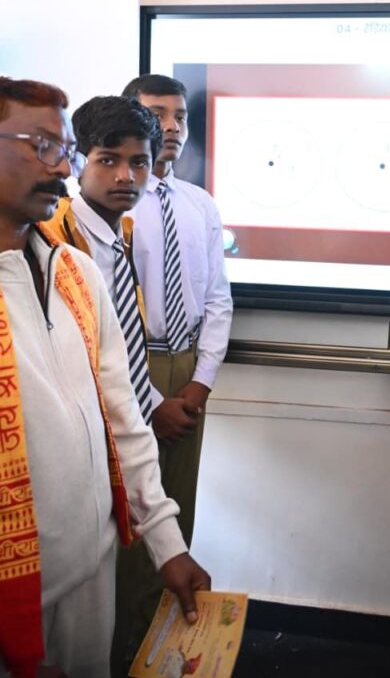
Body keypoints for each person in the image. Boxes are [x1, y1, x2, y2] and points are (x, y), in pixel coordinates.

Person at [0, 76, 210, 678]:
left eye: (63, 148)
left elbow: (122, 416)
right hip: (17, 586)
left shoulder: (75, 272)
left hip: (91, 570)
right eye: (40, 145)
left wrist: (166, 543)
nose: (60, 167)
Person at [114, 74, 232, 667]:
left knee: (175, 510)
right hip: (127, 368)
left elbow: (217, 299)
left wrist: (199, 382)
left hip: (185, 370)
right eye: (156, 114)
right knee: (127, 518)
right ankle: (120, 650)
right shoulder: (107, 205)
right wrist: (150, 399)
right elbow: (110, 319)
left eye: (179, 116)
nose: (170, 127)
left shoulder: (199, 203)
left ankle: (157, 650)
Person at [42, 95, 162, 422]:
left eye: (139, 162)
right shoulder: (50, 237)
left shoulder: (124, 235)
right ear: (77, 163)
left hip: (124, 415)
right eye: (108, 160)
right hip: (72, 415)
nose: (126, 176)